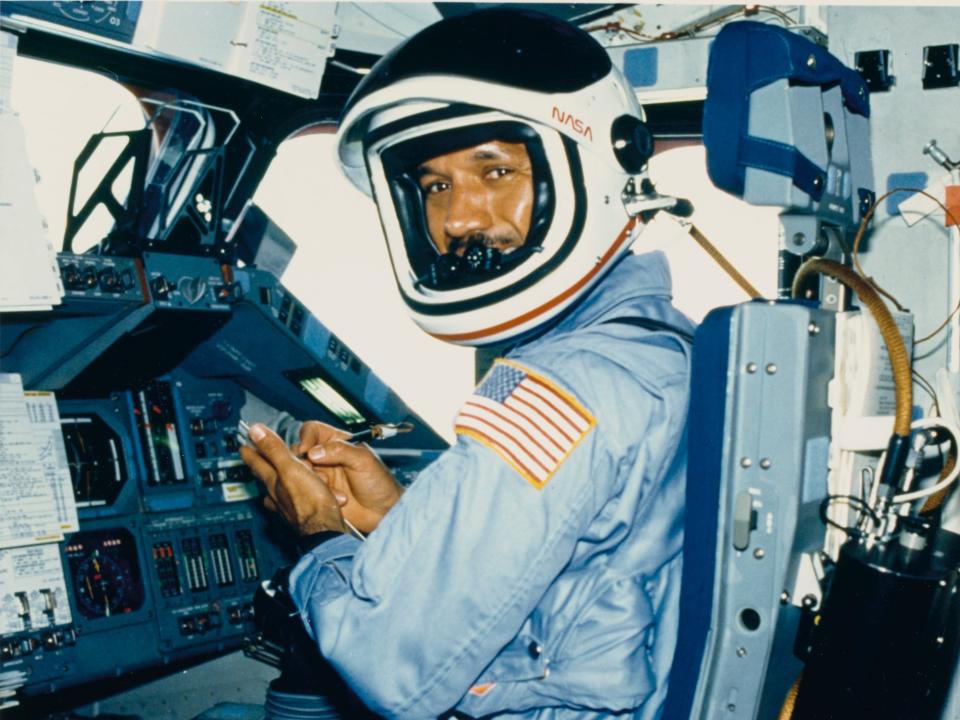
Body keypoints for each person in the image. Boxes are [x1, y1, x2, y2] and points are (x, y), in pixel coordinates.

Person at [240, 8, 694, 719]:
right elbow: (565, 568)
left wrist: (317, 533)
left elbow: (387, 664)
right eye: (435, 186)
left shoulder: (560, 389)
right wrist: (396, 519)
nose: (457, 220)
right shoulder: (661, 344)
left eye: (496, 170)